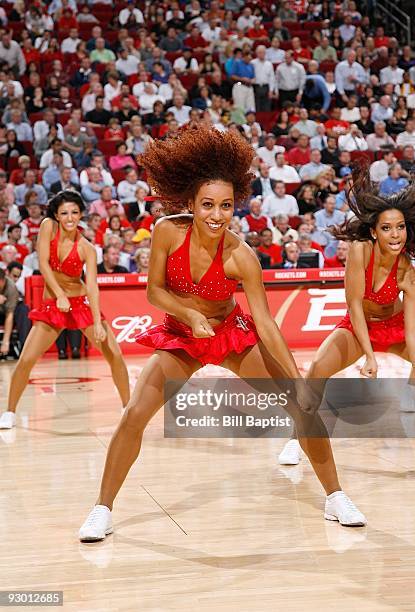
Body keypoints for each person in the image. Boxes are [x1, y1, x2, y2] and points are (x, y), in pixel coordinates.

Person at [79, 127, 365, 542]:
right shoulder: (166, 231)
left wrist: (297, 380)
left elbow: (266, 324)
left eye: (227, 206)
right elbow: (154, 291)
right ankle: (101, 509)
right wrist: (190, 316)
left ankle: (336, 496)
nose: (217, 215)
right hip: (181, 336)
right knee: (134, 416)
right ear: (189, 204)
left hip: (230, 335)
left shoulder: (241, 256)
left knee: (303, 409)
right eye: (208, 205)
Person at [278, 167, 415, 466]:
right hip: (358, 327)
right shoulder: (359, 251)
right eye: (387, 228)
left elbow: (411, 326)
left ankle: (411, 391)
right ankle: (295, 438)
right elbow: (354, 306)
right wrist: (369, 356)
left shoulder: (406, 267)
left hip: (393, 327)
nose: (395, 235)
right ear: (373, 231)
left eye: (400, 227)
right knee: (317, 368)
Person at [0, 191, 130, 430]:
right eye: (64, 213)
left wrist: (96, 321)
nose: (69, 217)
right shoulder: (48, 226)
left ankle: (128, 408)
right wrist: (59, 295)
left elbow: (91, 286)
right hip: (54, 304)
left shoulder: (87, 248)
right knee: (26, 359)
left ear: (81, 214)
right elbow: (42, 264)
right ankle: (9, 412)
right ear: (56, 215)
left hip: (80, 303)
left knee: (115, 355)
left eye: (74, 212)